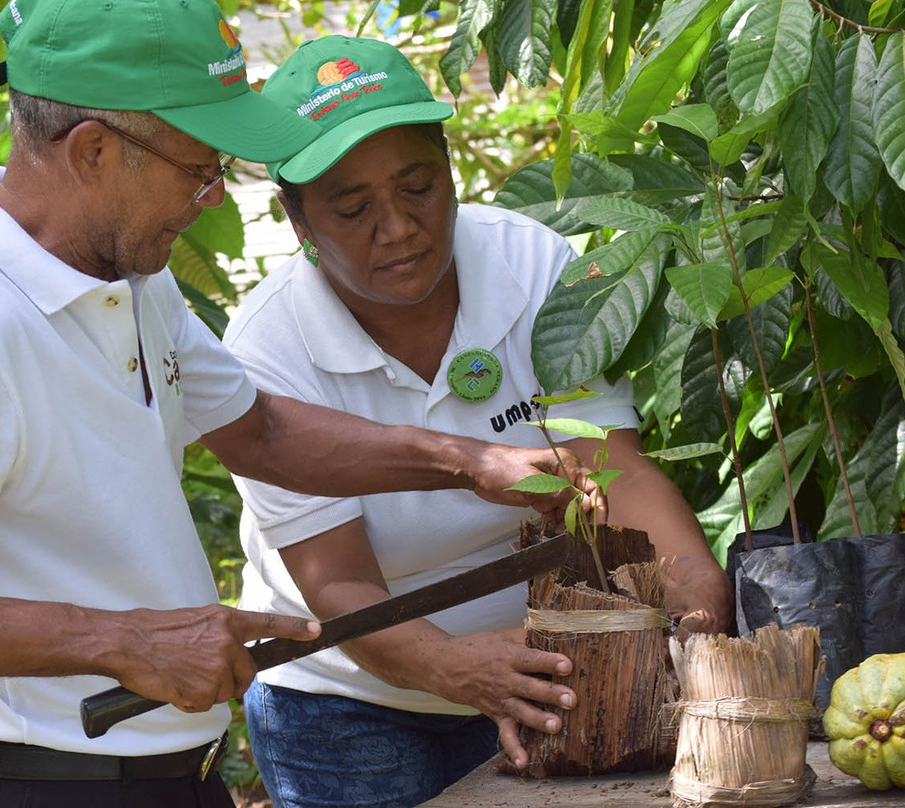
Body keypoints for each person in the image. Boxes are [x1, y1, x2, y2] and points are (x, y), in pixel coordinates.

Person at [0, 5, 606, 808]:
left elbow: (260, 430)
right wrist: (120, 641)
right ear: (95, 151)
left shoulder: (128, 276)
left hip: (175, 773)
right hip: (49, 781)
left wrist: (465, 461)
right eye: (199, 167)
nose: (211, 197)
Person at [222, 34, 736, 808]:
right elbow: (340, 580)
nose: (397, 228)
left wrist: (696, 608)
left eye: (419, 186)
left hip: (550, 675)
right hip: (341, 708)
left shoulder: (534, 267)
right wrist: (455, 669)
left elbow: (613, 474)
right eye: (353, 208)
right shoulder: (266, 349)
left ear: (452, 170)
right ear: (297, 222)